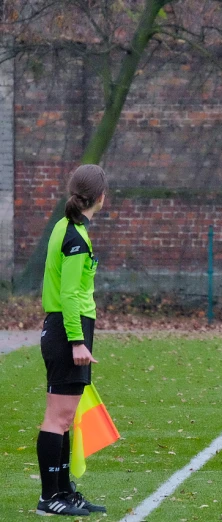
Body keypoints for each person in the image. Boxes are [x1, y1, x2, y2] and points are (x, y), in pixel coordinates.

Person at [36, 164, 108, 516]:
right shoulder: (75, 236)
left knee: (64, 418)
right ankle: (50, 498)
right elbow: (68, 294)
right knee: (58, 418)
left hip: (64, 329)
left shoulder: (67, 227)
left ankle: (64, 491)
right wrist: (78, 341)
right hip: (68, 332)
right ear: (101, 198)